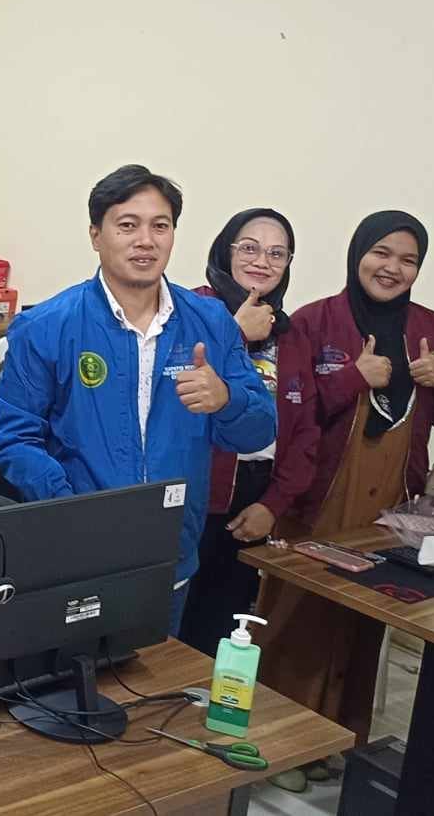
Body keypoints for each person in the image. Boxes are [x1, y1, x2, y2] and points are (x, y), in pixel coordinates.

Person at [0, 165, 276, 635]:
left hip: (170, 554)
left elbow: (259, 430)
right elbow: (13, 440)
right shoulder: (48, 326)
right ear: (95, 235)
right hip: (77, 555)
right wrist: (72, 508)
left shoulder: (211, 323)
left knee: (156, 673)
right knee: (77, 673)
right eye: (128, 225)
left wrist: (226, 399)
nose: (146, 240)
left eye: (160, 226)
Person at [258, 211, 434, 753]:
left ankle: (341, 743)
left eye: (408, 260)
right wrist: (354, 377)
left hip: (392, 504)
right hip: (321, 496)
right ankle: (281, 746)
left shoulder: (430, 328)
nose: (392, 268)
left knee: (364, 621)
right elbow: (290, 411)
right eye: (381, 253)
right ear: (358, 253)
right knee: (296, 618)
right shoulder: (314, 321)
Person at [177, 209, 320, 659]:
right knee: (166, 623)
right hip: (189, 492)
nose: (262, 261)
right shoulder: (188, 310)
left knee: (222, 628)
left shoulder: (289, 334)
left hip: (253, 502)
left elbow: (305, 431)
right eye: (250, 248)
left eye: (277, 253)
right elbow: (167, 395)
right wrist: (235, 333)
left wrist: (273, 505)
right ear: (226, 250)